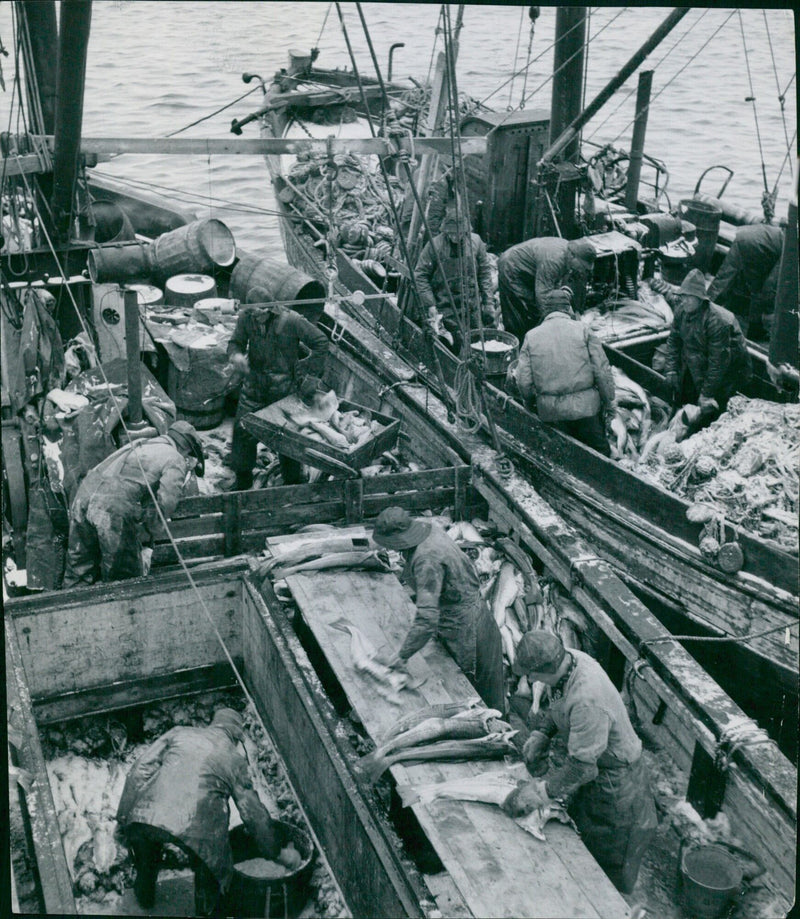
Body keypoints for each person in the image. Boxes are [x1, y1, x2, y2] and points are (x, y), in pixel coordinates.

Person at [502, 631, 657, 894]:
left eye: (533, 675)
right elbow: (559, 703)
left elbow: (582, 768)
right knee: (584, 831)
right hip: (597, 768)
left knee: (611, 855)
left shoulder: (587, 699)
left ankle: (614, 902)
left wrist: (540, 792)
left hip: (617, 783)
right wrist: (543, 733)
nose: (529, 680)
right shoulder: (570, 660)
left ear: (548, 668)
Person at [117, 708, 300, 915]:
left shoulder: (180, 733)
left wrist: (124, 818)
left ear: (213, 725)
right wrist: (276, 852)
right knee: (211, 874)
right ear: (237, 737)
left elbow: (139, 770)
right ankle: (207, 911)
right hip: (197, 830)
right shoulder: (233, 758)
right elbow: (253, 813)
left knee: (146, 854)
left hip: (147, 816)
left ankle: (145, 897)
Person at [371, 506, 505, 711]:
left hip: (468, 629)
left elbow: (426, 617)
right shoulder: (429, 530)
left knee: (477, 694)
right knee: (489, 689)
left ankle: (501, 736)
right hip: (470, 615)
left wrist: (403, 655)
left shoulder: (426, 560)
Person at [62, 420, 204, 587]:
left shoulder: (140, 443)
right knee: (122, 577)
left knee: (79, 567)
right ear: (187, 450)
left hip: (83, 495)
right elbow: (166, 501)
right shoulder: (175, 458)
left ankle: (72, 607)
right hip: (110, 507)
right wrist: (150, 537)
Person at [227, 298, 328, 490]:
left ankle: (292, 483)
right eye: (252, 314)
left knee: (288, 441)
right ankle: (242, 482)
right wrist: (236, 355)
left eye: (259, 314)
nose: (255, 318)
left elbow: (321, 342)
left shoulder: (291, 321)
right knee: (242, 435)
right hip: (253, 390)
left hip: (283, 392)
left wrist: (312, 375)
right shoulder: (246, 318)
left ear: (270, 309)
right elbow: (235, 343)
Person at [514, 288, 616, 456]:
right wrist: (609, 402)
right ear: (567, 309)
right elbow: (602, 371)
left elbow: (523, 380)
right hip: (587, 411)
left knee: (562, 456)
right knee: (601, 454)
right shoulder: (583, 330)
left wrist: (531, 402)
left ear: (546, 311)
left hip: (552, 414)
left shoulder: (531, 336)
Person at [664, 269, 751, 432]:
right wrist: (671, 370)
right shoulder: (681, 311)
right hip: (698, 360)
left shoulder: (718, 321)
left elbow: (718, 361)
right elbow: (673, 341)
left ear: (700, 299)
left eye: (689, 297)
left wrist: (706, 394)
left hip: (728, 371)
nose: (685, 301)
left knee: (712, 411)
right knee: (687, 395)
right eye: (683, 296)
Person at [414, 205, 496, 348]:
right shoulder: (434, 245)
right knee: (451, 345)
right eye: (450, 233)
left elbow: (484, 274)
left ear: (465, 231)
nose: (454, 237)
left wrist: (488, 303)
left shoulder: (476, 242)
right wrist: (430, 304)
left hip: (471, 305)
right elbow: (421, 275)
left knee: (476, 343)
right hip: (445, 306)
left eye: (457, 234)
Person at [498, 236, 596, 341]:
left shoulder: (569, 255)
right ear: (573, 256)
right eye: (582, 267)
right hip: (512, 267)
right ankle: (518, 343)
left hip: (529, 270)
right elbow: (543, 297)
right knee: (521, 311)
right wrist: (553, 326)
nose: (582, 271)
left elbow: (553, 284)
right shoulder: (554, 260)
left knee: (536, 312)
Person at [706, 223, 785, 341]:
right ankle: (703, 312)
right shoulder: (790, 252)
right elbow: (771, 286)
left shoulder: (789, 239)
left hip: (749, 237)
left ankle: (705, 307)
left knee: (724, 280)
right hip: (751, 244)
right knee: (730, 284)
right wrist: (769, 311)